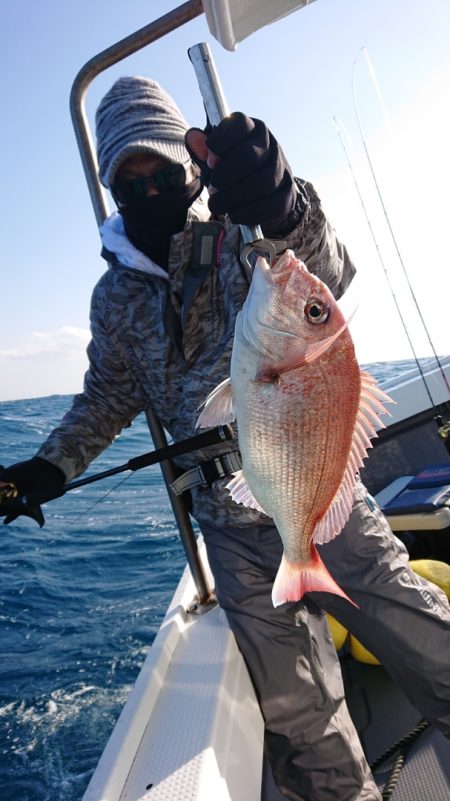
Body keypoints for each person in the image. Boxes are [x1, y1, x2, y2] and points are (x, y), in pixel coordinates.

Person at [1, 76, 449, 801]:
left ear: (190, 171)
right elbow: (107, 396)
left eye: (163, 172)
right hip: (229, 526)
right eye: (129, 180)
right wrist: (50, 464)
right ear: (113, 191)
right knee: (299, 712)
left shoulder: (246, 233)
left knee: (414, 621)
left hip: (319, 488)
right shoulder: (114, 296)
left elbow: (321, 276)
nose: (150, 191)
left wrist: (284, 204)